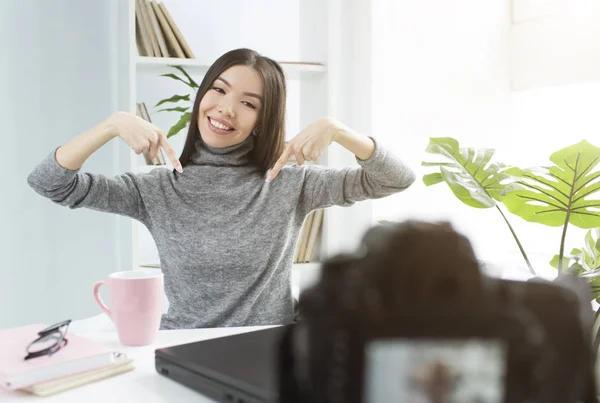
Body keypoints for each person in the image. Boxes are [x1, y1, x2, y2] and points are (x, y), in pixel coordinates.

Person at [27, 48, 415, 329]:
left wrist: (339, 130)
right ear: (202, 97)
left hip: (268, 351)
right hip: (182, 352)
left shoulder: (288, 183)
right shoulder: (157, 189)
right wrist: (110, 126)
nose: (226, 108)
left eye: (248, 103)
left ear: (263, 121)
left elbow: (395, 177)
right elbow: (49, 182)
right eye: (218, 90)